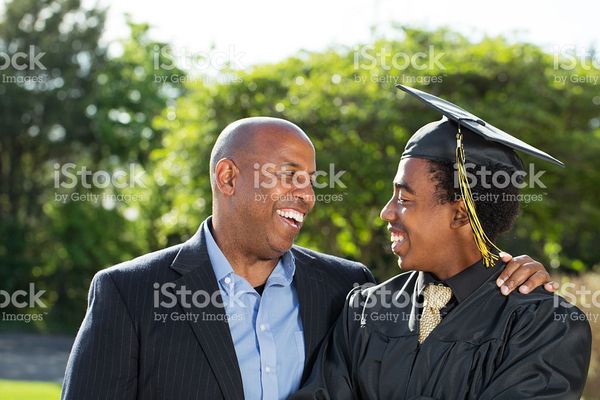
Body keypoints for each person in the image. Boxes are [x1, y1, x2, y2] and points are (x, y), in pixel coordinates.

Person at [61, 117, 557, 400]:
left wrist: (499, 268)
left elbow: (453, 287)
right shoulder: (130, 294)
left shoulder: (346, 292)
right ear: (229, 178)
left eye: (311, 181)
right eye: (289, 175)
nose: (306, 195)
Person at [292, 86, 592, 400]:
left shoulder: (544, 324)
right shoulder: (366, 308)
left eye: (404, 199)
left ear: (461, 214)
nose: (386, 212)